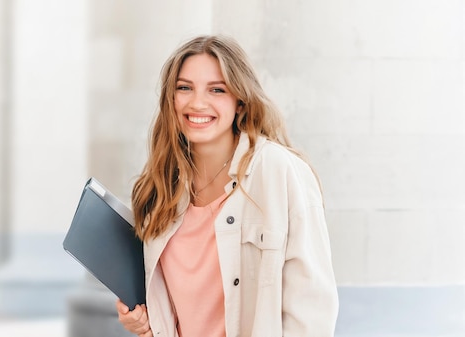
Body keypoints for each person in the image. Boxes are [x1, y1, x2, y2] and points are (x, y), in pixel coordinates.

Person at [115, 35, 338, 337]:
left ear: (241, 102)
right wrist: (142, 321)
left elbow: (312, 311)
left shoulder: (279, 171)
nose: (197, 102)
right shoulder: (161, 187)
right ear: (171, 98)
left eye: (217, 90)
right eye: (184, 88)